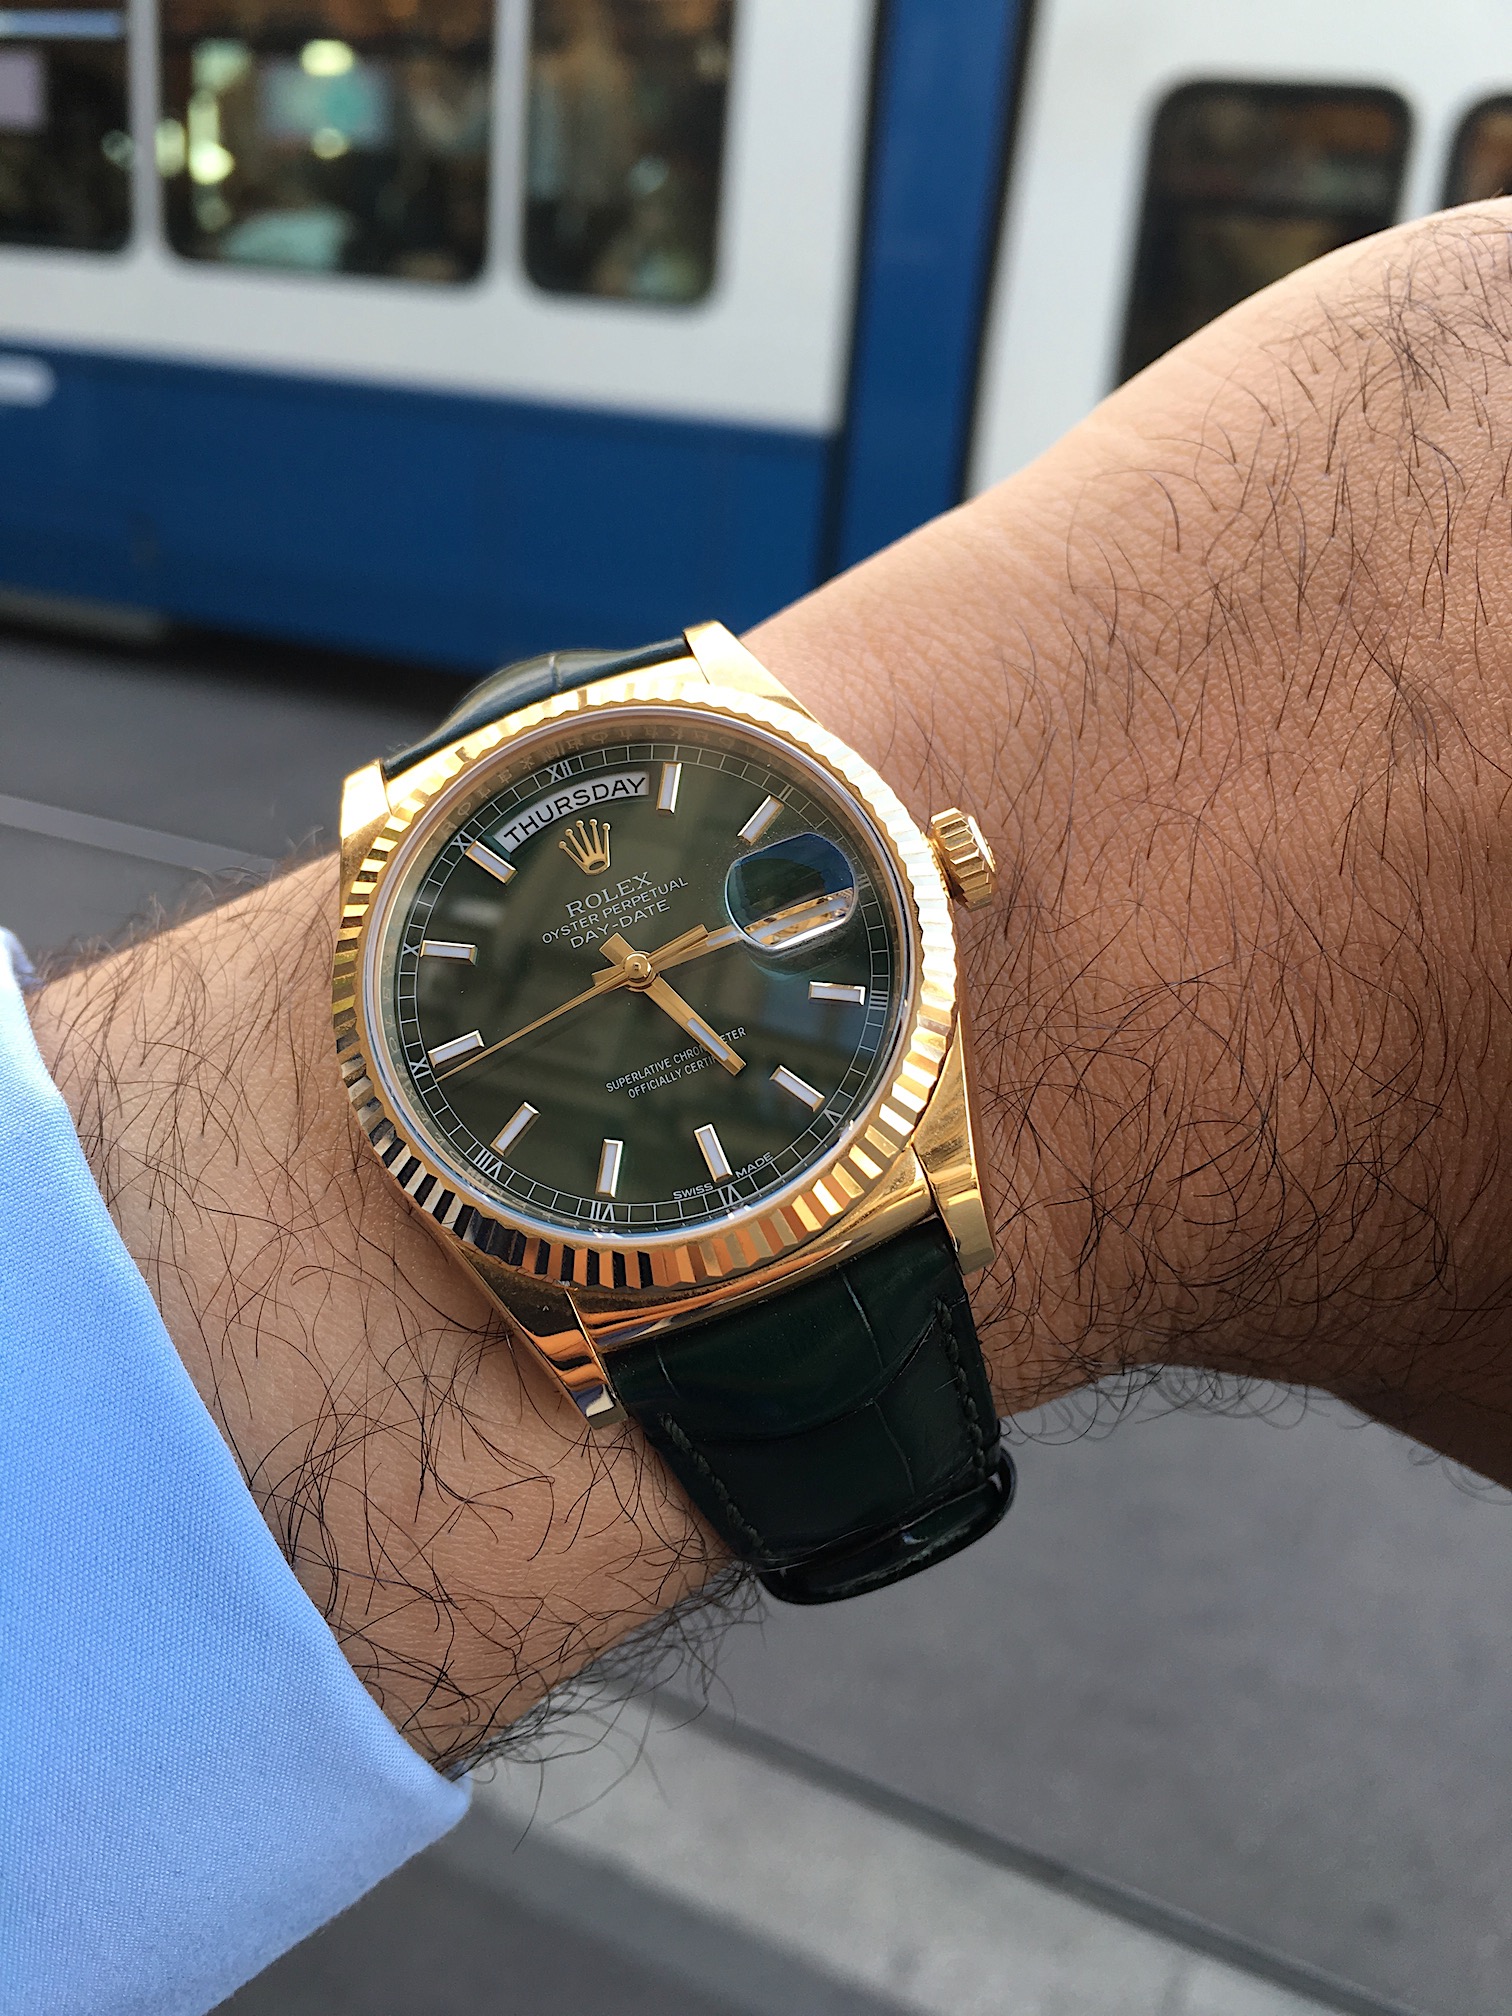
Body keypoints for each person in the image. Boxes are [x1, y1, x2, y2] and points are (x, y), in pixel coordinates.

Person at [10, 198, 1512, 2011]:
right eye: (619, 972)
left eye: (653, 960)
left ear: (934, 865)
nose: (637, 973)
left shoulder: (862, 948)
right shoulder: (509, 1196)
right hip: (603, 1235)